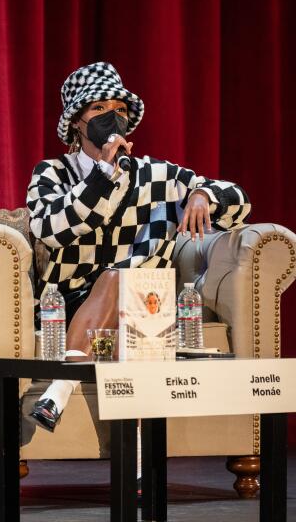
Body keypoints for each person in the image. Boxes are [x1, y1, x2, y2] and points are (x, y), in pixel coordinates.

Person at [26, 61, 251, 432]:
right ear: (76, 123)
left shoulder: (156, 176)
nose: (111, 117)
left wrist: (201, 193)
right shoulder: (53, 173)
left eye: (119, 110)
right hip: (68, 305)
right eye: (98, 109)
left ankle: (59, 391)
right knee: (119, 291)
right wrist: (102, 175)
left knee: (123, 284)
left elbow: (240, 200)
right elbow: (50, 229)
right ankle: (140, 470)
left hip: (142, 307)